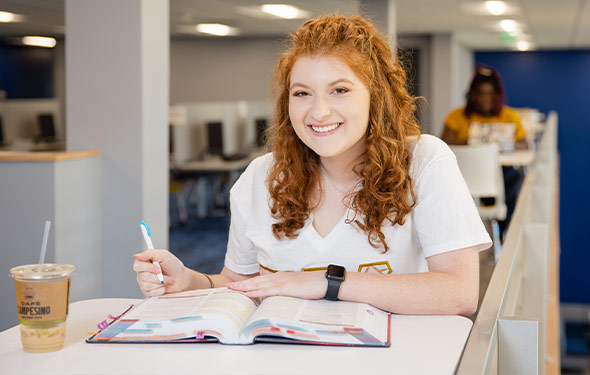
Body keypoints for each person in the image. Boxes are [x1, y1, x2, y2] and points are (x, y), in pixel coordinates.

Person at [134, 14, 491, 316]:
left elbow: (459, 293)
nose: (318, 112)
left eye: (340, 90)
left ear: (376, 97)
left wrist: (326, 282)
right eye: (302, 93)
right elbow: (239, 284)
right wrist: (188, 281)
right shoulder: (261, 177)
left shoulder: (424, 162)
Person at [442, 65, 527, 238]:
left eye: (489, 93)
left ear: (497, 95)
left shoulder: (509, 116)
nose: (484, 98)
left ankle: (503, 230)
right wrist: (475, 142)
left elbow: (524, 144)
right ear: (472, 94)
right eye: (480, 93)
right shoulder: (457, 116)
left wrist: (499, 143)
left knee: (512, 177)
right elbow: (444, 142)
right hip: (462, 179)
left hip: (498, 178)